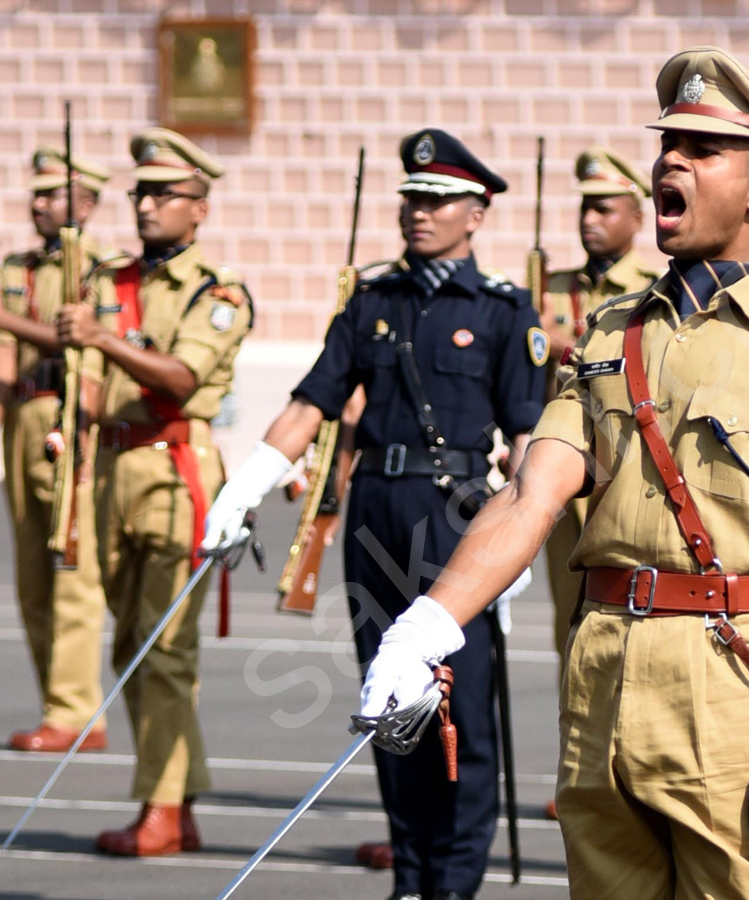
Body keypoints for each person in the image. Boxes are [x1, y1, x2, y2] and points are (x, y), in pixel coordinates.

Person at [333, 47, 749, 900]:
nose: (671, 160)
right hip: (601, 674)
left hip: (729, 680)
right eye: (668, 144)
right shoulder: (610, 334)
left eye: (702, 150)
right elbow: (531, 491)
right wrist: (428, 624)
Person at [202, 128, 545, 900]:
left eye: (436, 201)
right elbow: (312, 401)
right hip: (376, 512)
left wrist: (517, 545)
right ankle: (411, 874)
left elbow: (525, 439)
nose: (417, 214)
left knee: (459, 708)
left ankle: (453, 882)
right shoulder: (373, 301)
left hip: (458, 516)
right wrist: (247, 485)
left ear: (477, 212)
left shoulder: (500, 311)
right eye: (410, 200)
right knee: (389, 705)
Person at [55, 127, 253, 857]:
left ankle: (161, 809)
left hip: (177, 470)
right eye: (140, 192)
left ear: (199, 208)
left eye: (164, 194)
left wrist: (102, 341)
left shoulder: (218, 293)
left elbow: (181, 379)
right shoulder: (108, 277)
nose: (146, 205)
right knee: (132, 644)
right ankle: (177, 796)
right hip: (111, 469)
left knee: (166, 649)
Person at [0, 147, 112, 753]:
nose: (37, 203)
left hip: (73, 416)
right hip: (25, 420)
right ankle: (55, 704)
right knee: (32, 575)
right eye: (34, 194)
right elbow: (3, 344)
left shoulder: (99, 270)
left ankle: (75, 710)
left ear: (85, 203)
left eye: (51, 193)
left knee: (71, 567)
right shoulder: (17, 267)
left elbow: (78, 341)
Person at [541, 147, 659, 668]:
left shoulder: (654, 290)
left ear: (636, 218)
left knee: (624, 625)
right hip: (563, 470)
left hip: (624, 472)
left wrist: (561, 343)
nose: (589, 220)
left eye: (604, 209)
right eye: (584, 208)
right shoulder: (549, 289)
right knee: (568, 627)